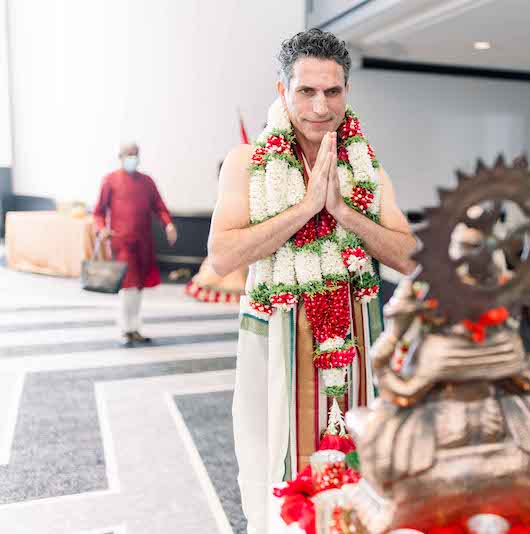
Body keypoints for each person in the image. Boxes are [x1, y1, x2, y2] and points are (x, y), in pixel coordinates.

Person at [207, 29, 416, 533]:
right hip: (278, 338)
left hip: (356, 335)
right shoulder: (247, 163)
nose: (320, 106)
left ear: (346, 92)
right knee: (269, 455)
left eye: (333, 91)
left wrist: (345, 212)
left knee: (357, 464)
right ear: (283, 92)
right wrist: (305, 209)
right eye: (306, 91)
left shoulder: (366, 166)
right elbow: (221, 255)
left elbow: (411, 258)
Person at [93, 143, 178, 347]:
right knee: (128, 285)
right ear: (120, 156)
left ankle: (134, 328)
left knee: (138, 286)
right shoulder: (110, 180)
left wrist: (169, 225)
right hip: (121, 242)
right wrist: (101, 229)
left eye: (135, 154)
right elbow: (98, 212)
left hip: (144, 242)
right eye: (129, 154)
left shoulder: (147, 181)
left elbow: (160, 207)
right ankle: (126, 329)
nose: (133, 157)